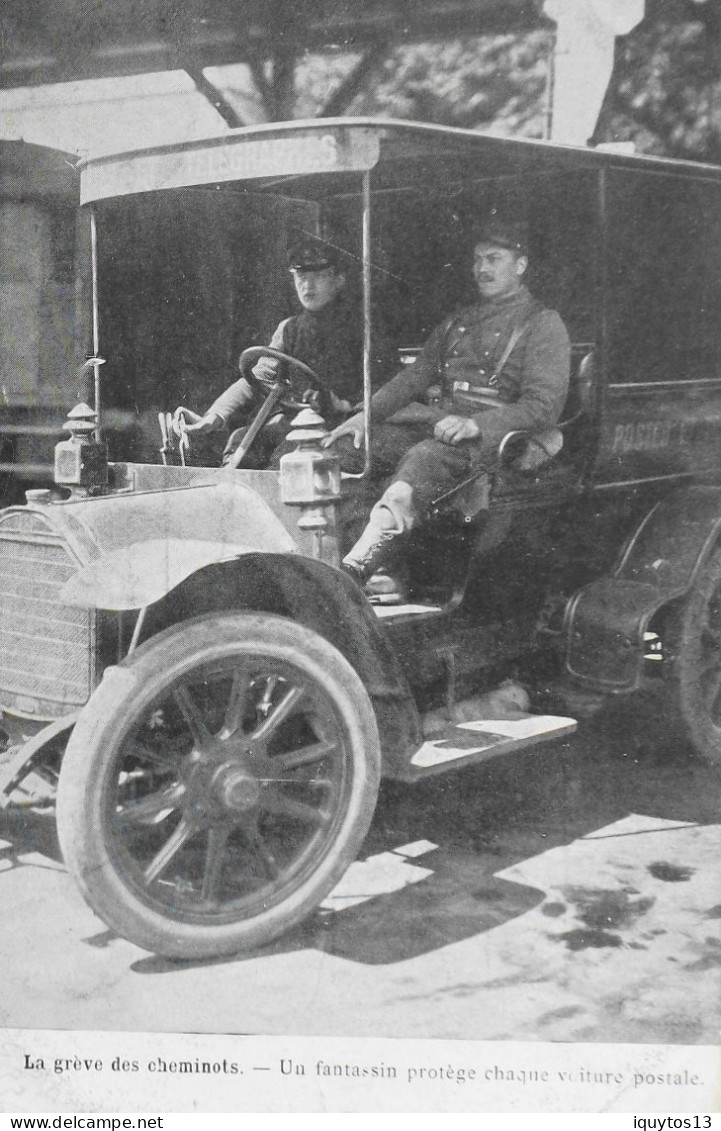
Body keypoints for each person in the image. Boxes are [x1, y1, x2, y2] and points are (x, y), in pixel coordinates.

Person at [325, 219, 572, 591]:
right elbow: (415, 377)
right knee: (348, 450)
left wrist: (480, 425)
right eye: (477, 260)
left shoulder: (543, 324)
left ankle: (355, 571)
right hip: (442, 425)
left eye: (494, 259)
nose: (482, 269)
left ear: (520, 265)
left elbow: (543, 406)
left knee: (424, 459)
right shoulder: (458, 321)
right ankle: (368, 564)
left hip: (492, 438)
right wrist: (365, 416)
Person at [172, 236, 391, 467]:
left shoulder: (364, 328)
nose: (308, 285)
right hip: (299, 422)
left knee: (285, 458)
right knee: (240, 441)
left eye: (318, 276)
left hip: (349, 425)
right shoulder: (289, 329)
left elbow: (389, 387)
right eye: (301, 276)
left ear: (339, 280)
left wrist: (344, 405)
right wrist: (214, 417)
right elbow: (256, 380)